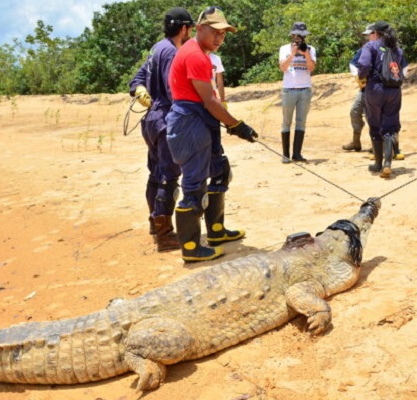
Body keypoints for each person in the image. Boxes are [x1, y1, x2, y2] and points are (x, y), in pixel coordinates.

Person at [166, 6, 259, 263]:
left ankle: (216, 231)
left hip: (201, 120)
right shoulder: (195, 55)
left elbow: (209, 99)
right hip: (189, 122)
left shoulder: (203, 54)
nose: (220, 37)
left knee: (220, 172)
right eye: (215, 31)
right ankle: (191, 247)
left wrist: (229, 122)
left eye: (224, 33)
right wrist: (237, 125)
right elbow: (208, 100)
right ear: (199, 28)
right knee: (194, 185)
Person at [128, 7, 195, 253]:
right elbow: (173, 91)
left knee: (155, 174)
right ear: (184, 28)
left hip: (150, 121)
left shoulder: (157, 48)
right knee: (169, 177)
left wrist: (140, 91)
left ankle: (155, 223)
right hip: (166, 120)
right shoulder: (170, 52)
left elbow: (136, 80)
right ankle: (165, 234)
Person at [357, 21, 408, 178]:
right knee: (390, 125)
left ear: (375, 32)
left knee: (374, 123)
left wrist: (362, 77)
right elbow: (402, 69)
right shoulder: (396, 49)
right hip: (394, 90)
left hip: (375, 89)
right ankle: (388, 163)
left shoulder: (370, 46)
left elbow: (363, 64)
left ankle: (378, 163)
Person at [278, 22, 317, 163]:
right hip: (289, 89)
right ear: (292, 36)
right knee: (286, 122)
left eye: (301, 36)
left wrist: (305, 54)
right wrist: (293, 54)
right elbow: (282, 68)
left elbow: (311, 68)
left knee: (301, 122)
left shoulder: (310, 49)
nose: (298, 39)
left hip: (305, 89)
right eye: (296, 36)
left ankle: (297, 154)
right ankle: (285, 155)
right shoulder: (284, 49)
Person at [342, 24, 375, 152]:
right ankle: (356, 142)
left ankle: (376, 144)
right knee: (354, 111)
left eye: (370, 34)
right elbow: (353, 63)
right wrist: (359, 78)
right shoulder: (364, 50)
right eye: (368, 35)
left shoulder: (384, 50)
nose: (368, 37)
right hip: (364, 89)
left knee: (371, 116)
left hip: (376, 89)